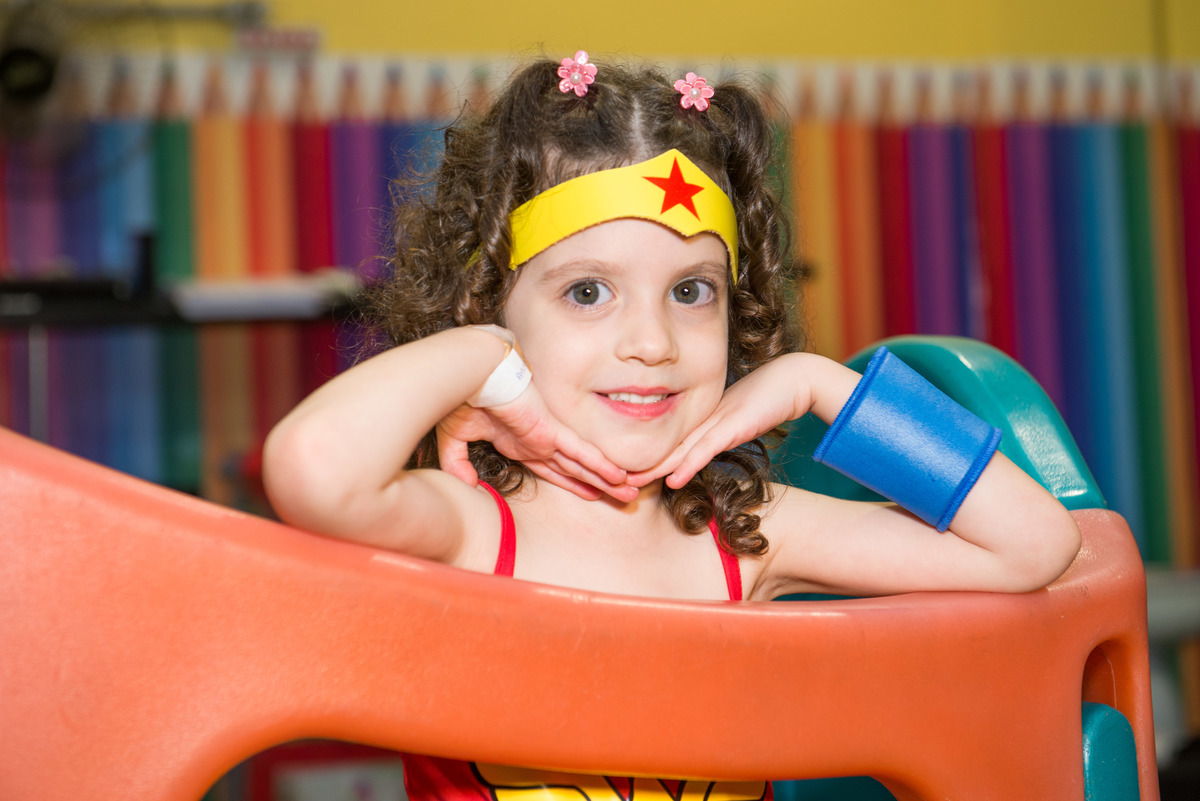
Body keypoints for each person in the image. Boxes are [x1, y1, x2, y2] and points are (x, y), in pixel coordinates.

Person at [263, 51, 1082, 801]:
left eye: (691, 292)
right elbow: (313, 465)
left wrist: (823, 383)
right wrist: (479, 355)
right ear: (490, 303)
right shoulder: (470, 529)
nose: (652, 343)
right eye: (588, 292)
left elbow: (1034, 544)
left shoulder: (749, 536)